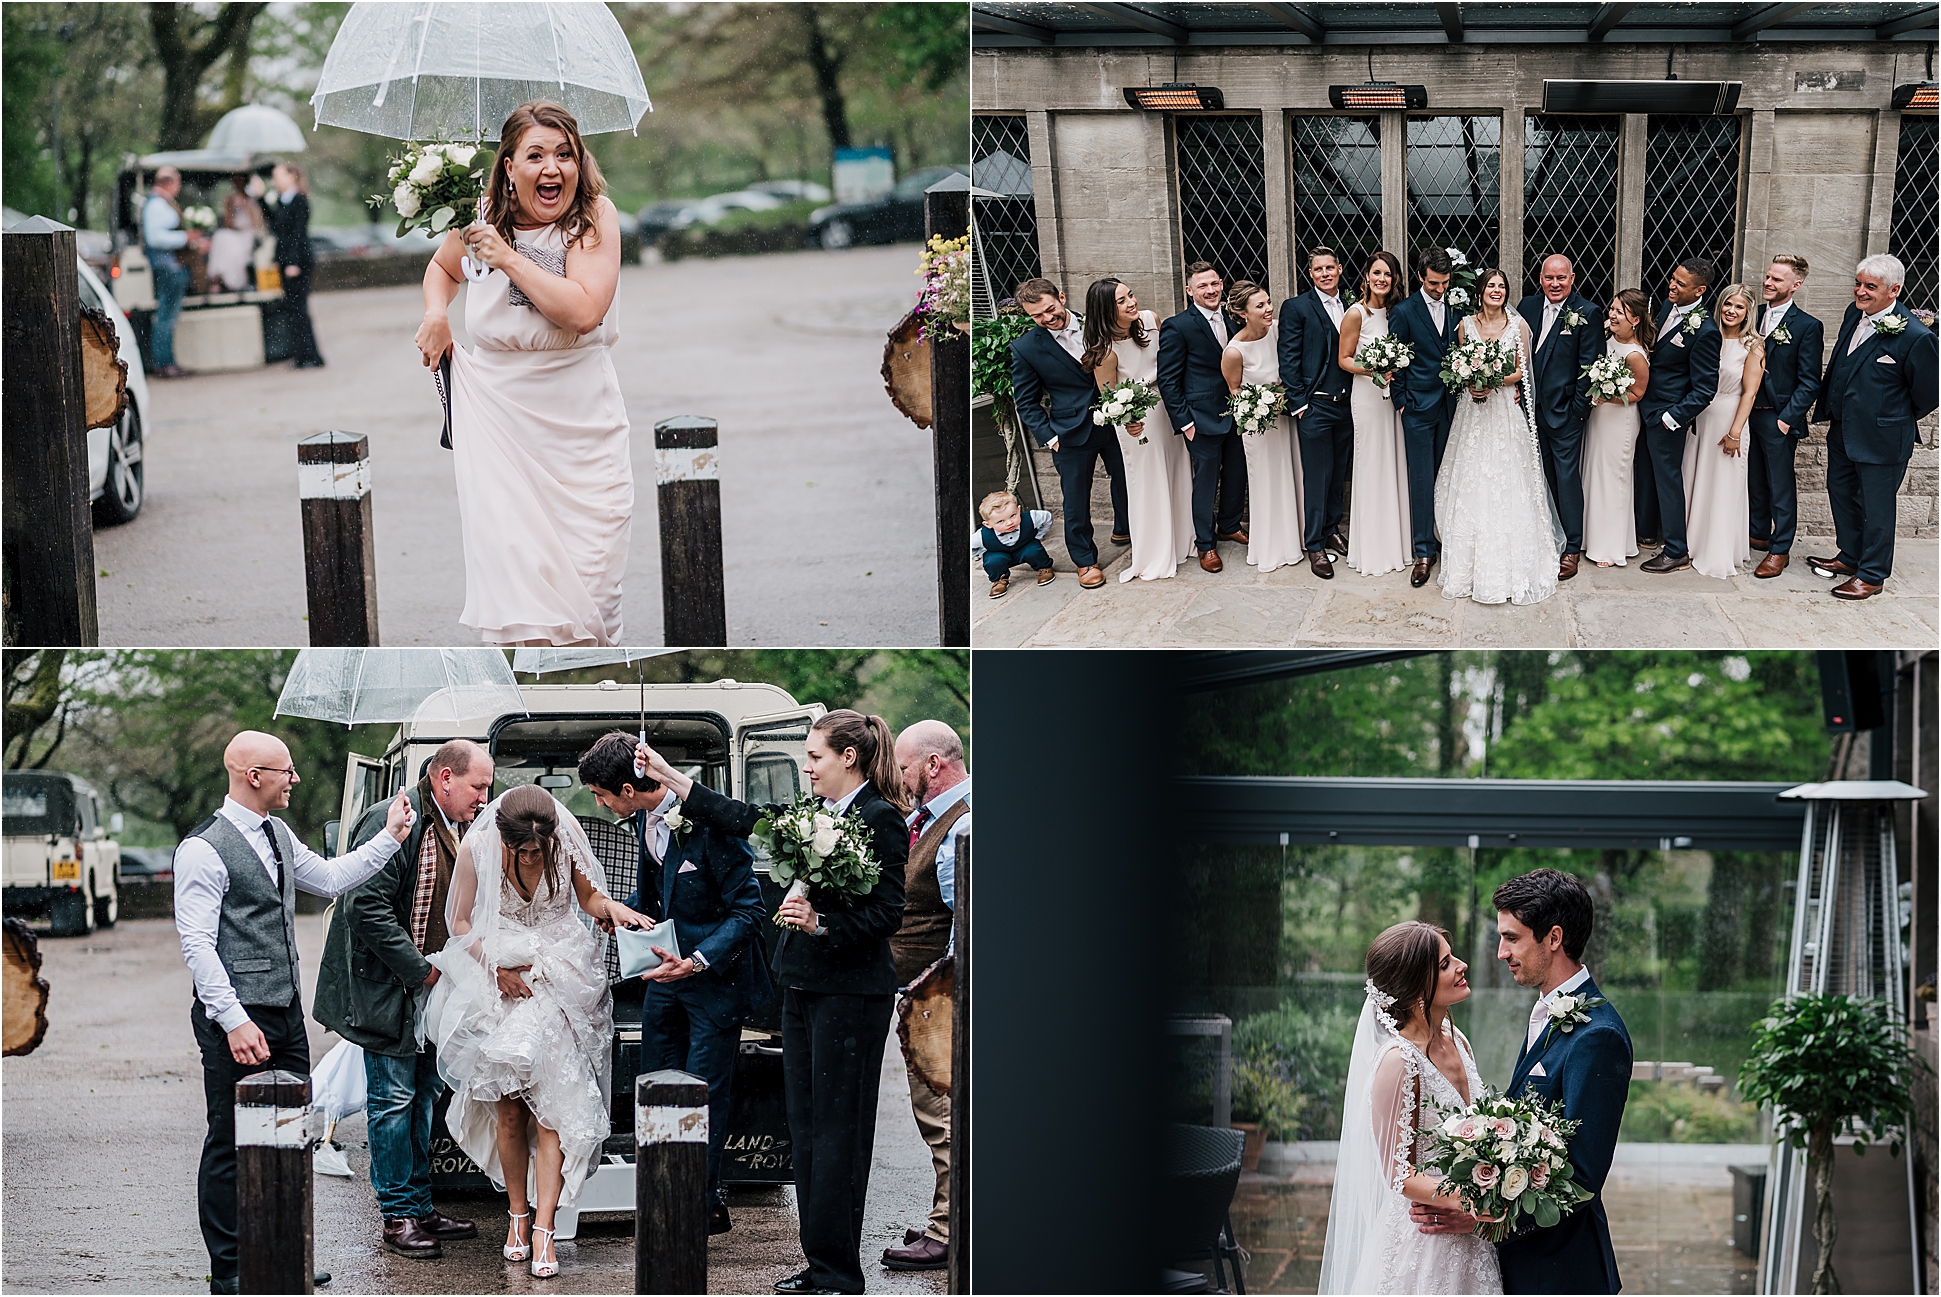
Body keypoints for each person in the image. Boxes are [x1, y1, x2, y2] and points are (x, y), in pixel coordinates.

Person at [635, 711, 908, 1296]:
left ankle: (839, 1272)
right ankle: (820, 1262)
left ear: (848, 759)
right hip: (801, 987)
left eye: (814, 757)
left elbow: (888, 913)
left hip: (851, 994)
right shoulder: (814, 815)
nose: (806, 767)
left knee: (839, 1131)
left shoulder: (880, 819)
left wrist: (823, 922)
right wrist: (668, 775)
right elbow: (743, 816)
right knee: (805, 1127)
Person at [173, 731, 413, 1295]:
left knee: (289, 1132)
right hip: (233, 1016)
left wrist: (389, 837)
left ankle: (284, 1253)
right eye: (286, 770)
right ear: (253, 775)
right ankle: (231, 1269)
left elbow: (329, 879)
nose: (295, 778)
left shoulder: (277, 832)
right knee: (231, 1139)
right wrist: (232, 1020)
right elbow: (197, 945)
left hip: (281, 1011)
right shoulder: (202, 848)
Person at [414, 100, 631, 646]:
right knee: (518, 584)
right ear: (508, 167)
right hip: (498, 420)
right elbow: (442, 269)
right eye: (535, 155)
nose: (552, 168)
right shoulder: (480, 214)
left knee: (593, 586)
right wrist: (436, 314)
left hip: (581, 423)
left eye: (565, 154)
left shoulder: (595, 217)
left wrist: (509, 257)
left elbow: (582, 313)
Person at [419, 785, 651, 1278]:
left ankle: (546, 1227)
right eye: (521, 849)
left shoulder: (561, 839)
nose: (530, 856)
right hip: (504, 979)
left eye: (536, 849)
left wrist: (615, 910)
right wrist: (494, 969)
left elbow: (587, 897)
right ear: (504, 837)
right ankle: (517, 1217)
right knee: (508, 1111)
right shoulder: (478, 848)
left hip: (562, 977)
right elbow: (458, 921)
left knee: (553, 1111)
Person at [577, 732, 770, 1237]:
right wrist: (628, 921)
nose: (598, 804)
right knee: (657, 1090)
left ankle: (699, 1206)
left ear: (626, 787)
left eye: (600, 795)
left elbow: (750, 911)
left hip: (713, 983)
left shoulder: (707, 824)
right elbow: (653, 892)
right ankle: (666, 1193)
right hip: (663, 982)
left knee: (703, 1096)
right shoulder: (641, 819)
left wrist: (699, 959)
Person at [312, 740, 495, 1260]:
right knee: (392, 1102)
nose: (484, 797)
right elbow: (363, 908)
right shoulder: (394, 818)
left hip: (427, 988)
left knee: (422, 1098)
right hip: (393, 987)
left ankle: (419, 1206)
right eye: (478, 786)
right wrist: (421, 972)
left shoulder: (450, 824)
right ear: (443, 778)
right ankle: (398, 1218)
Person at [1412, 869, 1632, 1296]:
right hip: (1524, 1268)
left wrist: (1484, 1221)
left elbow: (1583, 1178)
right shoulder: (1549, 1013)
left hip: (1561, 1273)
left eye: (1512, 938)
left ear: (1553, 938)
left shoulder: (1598, 1036)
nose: (1500, 952)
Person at [1316, 920, 1500, 1294]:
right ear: (1418, 987)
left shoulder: (1458, 1039)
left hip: (1474, 1239)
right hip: (1427, 1242)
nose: (1462, 965)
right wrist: (1476, 1199)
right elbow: (1399, 1176)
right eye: (1446, 964)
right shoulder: (1398, 1063)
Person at [880, 720, 970, 1273]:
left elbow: (969, 925)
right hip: (928, 996)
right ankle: (950, 1215)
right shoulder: (933, 822)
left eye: (906, 767)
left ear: (933, 765)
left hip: (940, 1000)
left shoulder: (961, 829)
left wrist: (933, 982)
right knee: (937, 1114)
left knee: (943, 1116)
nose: (901, 777)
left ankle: (948, 1233)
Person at [1807, 253, 1940, 600]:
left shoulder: (1916, 335)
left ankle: (1873, 575)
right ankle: (1850, 557)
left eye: (1870, 286)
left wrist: (1889, 416)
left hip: (1883, 438)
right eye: (1858, 283)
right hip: (1843, 429)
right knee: (1840, 494)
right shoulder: (1854, 313)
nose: (1861, 291)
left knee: (1876, 507)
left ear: (1894, 290)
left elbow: (1928, 393)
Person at [1434, 268, 1563, 605]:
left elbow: (1522, 370)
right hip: (1473, 412)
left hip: (1504, 410)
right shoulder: (1465, 326)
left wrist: (1492, 380)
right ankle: (1468, 568)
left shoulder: (1518, 326)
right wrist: (1472, 381)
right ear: (1480, 291)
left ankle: (1511, 567)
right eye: (1491, 286)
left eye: (1501, 287)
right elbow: (1459, 365)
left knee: (1507, 482)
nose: (1496, 291)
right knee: (1472, 480)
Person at [1010, 278, 1129, 589]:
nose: (1048, 318)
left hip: (1117, 421)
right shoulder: (1025, 349)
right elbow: (1026, 401)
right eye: (1037, 316)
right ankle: (1085, 560)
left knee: (1128, 477)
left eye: (1051, 309)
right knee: (1075, 500)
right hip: (1069, 433)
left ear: (1061, 297)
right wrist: (1050, 437)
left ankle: (1125, 528)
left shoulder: (1099, 323)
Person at [1082, 278, 1196, 583]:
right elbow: (1110, 398)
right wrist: (1128, 422)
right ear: (1106, 310)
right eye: (1121, 301)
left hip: (1169, 407)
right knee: (1149, 482)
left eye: (1129, 295)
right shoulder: (1105, 353)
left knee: (1178, 471)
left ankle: (1184, 541)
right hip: (1138, 421)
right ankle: (1155, 552)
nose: (1131, 303)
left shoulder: (1150, 319)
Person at [1159, 261, 1252, 574]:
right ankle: (1206, 544)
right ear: (1189, 291)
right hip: (1199, 419)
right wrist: (1184, 422)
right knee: (1205, 482)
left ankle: (1229, 524)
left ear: (1222, 283)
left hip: (1235, 414)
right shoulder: (1177, 325)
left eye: (1214, 283)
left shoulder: (1233, 318)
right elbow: (1168, 379)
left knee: (1237, 474)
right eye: (1202, 286)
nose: (1210, 290)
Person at [1516, 255, 1604, 580]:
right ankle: (1549, 536)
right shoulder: (1526, 307)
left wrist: (1577, 412)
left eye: (1561, 278)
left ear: (1572, 278)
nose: (1555, 284)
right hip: (1529, 410)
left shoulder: (1588, 312)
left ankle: (1572, 547)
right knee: (1542, 475)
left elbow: (1591, 367)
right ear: (1540, 278)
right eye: (1549, 278)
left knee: (1567, 478)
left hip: (1565, 414)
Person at [1635, 258, 1723, 574]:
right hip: (1645, 407)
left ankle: (1676, 550)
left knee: (1669, 480)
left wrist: (1672, 418)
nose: (1672, 285)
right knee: (1645, 473)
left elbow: (1704, 389)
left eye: (1680, 284)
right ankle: (1645, 532)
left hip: (1667, 417)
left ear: (1700, 290)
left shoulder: (1707, 331)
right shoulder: (1666, 306)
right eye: (1673, 279)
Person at [1220, 281, 1307, 574]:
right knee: (1267, 482)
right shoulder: (1234, 351)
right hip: (1259, 426)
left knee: (1291, 474)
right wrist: (1263, 405)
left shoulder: (1279, 329)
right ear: (1243, 313)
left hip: (1286, 421)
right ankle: (1272, 545)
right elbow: (1235, 393)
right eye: (1260, 305)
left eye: (1268, 302)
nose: (1269, 308)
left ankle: (1298, 537)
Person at [1387, 248, 1462, 587]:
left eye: (1445, 283)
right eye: (1433, 283)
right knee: (1421, 479)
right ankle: (1423, 551)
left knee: (1449, 477)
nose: (1439, 289)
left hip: (1451, 408)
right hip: (1417, 407)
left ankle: (1449, 539)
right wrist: (1402, 401)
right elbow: (1396, 357)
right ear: (1420, 277)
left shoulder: (1457, 307)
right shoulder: (1403, 312)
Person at [1279, 248, 1356, 579]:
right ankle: (1314, 544)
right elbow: (1289, 357)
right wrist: (1299, 404)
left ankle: (1331, 528)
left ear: (1340, 269)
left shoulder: (1351, 307)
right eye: (1318, 269)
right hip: (1316, 406)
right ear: (1310, 274)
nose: (1325, 273)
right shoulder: (1297, 308)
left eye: (1330, 267)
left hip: (1347, 404)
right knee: (1317, 475)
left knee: (1338, 473)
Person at [1747, 256, 1825, 577]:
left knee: (1780, 485)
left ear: (1796, 285)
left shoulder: (1807, 326)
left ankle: (1781, 549)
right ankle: (1758, 533)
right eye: (1767, 276)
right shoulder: (1755, 317)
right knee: (1753, 479)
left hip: (1777, 418)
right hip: (1747, 414)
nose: (1768, 283)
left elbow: (1810, 382)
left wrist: (1786, 419)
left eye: (1777, 279)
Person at [1337, 251, 1413, 578]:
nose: (1382, 279)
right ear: (1366, 275)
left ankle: (1397, 542)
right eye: (1377, 273)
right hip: (1367, 397)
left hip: (1391, 399)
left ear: (1395, 280)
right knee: (1370, 465)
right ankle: (1371, 548)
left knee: (1393, 463)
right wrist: (1373, 369)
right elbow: (1344, 359)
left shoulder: (1397, 312)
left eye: (1388, 274)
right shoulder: (1357, 313)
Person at [1683, 284, 1764, 578]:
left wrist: (1735, 432)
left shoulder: (1752, 346)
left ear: (1748, 313)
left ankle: (1716, 549)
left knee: (1721, 485)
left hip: (1729, 419)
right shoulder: (1706, 335)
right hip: (1699, 418)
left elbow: (1749, 393)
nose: (1732, 311)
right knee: (1696, 478)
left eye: (1739, 307)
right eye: (1728, 304)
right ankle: (1690, 543)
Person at [1580, 291, 1654, 568]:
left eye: (1620, 312)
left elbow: (1637, 393)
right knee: (1593, 474)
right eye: (1612, 309)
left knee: (1613, 480)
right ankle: (1590, 537)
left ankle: (1611, 548)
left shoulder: (1635, 355)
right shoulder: (1605, 339)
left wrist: (1607, 395)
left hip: (1619, 420)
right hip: (1599, 416)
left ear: (1635, 319)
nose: (1612, 315)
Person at [142, 165, 207, 378]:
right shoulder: (156, 206)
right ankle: (163, 363)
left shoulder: (160, 205)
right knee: (166, 317)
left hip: (172, 265)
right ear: (168, 183)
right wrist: (185, 238)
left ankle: (166, 361)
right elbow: (155, 238)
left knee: (168, 316)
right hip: (168, 266)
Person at [261, 162, 323, 369]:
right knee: (292, 309)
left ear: (292, 176)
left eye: (278, 175)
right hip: (286, 259)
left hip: (297, 261)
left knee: (299, 309)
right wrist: (261, 198)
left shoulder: (299, 201)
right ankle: (301, 355)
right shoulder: (283, 201)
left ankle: (310, 355)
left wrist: (294, 262)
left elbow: (297, 233)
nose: (275, 180)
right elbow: (276, 225)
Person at [972, 489, 1055, 597]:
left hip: (1024, 547)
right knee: (992, 561)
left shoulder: (1031, 518)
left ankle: (1044, 568)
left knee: (1034, 549)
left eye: (1013, 515)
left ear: (1018, 510)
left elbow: (1047, 517)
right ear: (988, 524)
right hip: (1000, 553)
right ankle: (999, 580)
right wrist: (981, 551)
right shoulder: (982, 535)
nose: (1009, 522)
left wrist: (1039, 535)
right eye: (1000, 521)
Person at [207, 174, 262, 293]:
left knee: (229, 242)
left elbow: (256, 222)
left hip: (248, 233)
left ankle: (234, 282)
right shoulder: (231, 199)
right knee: (220, 236)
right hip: (235, 233)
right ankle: (219, 278)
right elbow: (229, 224)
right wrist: (229, 207)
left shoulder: (253, 200)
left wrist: (245, 205)